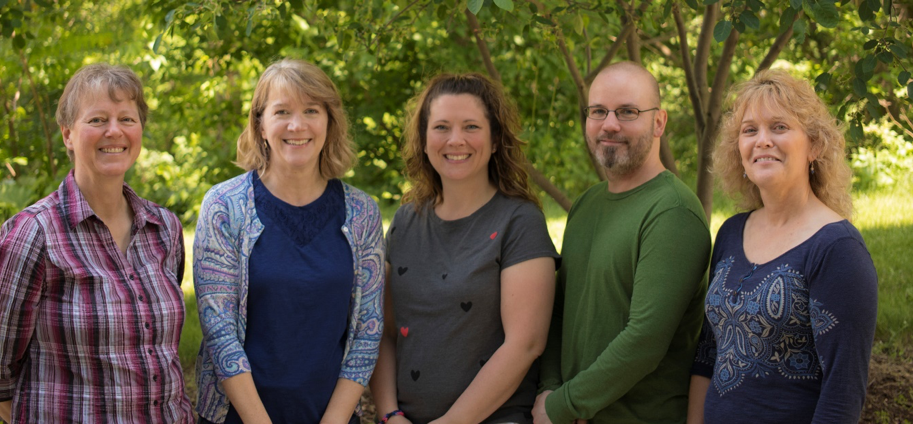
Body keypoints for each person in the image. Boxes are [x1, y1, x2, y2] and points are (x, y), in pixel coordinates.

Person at [0, 63, 194, 423]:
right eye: (98, 120)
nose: (114, 131)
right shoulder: (34, 234)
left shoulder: (164, 228)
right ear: (68, 134)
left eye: (127, 119)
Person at [193, 58, 384, 424]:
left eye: (311, 110)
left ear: (329, 121)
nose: (297, 125)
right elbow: (219, 332)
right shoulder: (224, 207)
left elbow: (367, 331)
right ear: (260, 125)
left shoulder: (362, 212)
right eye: (282, 111)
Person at [687, 70, 878, 423]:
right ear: (739, 151)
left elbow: (843, 394)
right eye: (749, 130)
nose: (762, 140)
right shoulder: (730, 233)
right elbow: (708, 352)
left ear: (815, 146)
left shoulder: (837, 250)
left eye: (779, 127)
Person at [369, 73, 559, 424]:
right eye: (441, 127)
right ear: (423, 141)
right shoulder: (405, 221)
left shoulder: (519, 222)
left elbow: (525, 344)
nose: (456, 140)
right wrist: (389, 414)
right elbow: (385, 332)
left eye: (471, 126)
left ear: (496, 139)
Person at [534, 62, 712, 424]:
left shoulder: (673, 213)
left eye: (628, 111)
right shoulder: (586, 205)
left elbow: (644, 341)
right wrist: (550, 389)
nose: (609, 124)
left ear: (659, 121)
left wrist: (563, 405)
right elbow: (558, 312)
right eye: (598, 111)